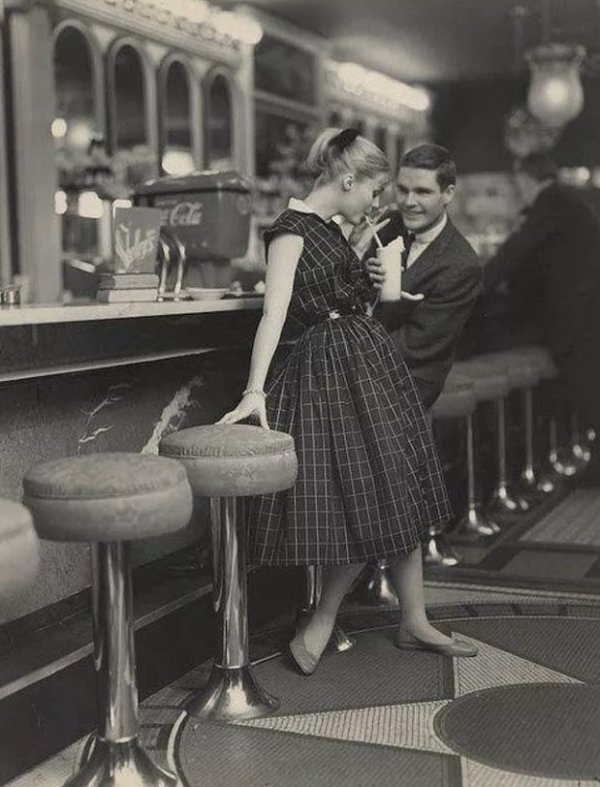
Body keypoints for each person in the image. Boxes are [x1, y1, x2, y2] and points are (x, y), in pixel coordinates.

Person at [218, 128, 477, 675]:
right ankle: (328, 615)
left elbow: (350, 295)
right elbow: (275, 313)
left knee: (396, 484)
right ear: (348, 178)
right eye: (376, 191)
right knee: (372, 492)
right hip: (331, 370)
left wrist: (378, 279)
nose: (379, 203)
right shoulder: (289, 230)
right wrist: (254, 390)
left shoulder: (334, 231)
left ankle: (414, 618)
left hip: (365, 359)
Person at [484, 152, 600, 484]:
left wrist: (474, 284)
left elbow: (515, 251)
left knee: (586, 384)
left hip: (579, 311)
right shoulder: (566, 201)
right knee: (588, 384)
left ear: (525, 178)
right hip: (584, 308)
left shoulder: (552, 201)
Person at [362, 144, 481, 408]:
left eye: (422, 192)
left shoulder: (460, 264)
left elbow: (415, 345)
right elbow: (360, 297)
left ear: (448, 194)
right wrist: (364, 276)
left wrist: (347, 356)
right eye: (402, 189)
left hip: (410, 381)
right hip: (370, 365)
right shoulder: (390, 225)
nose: (408, 202)